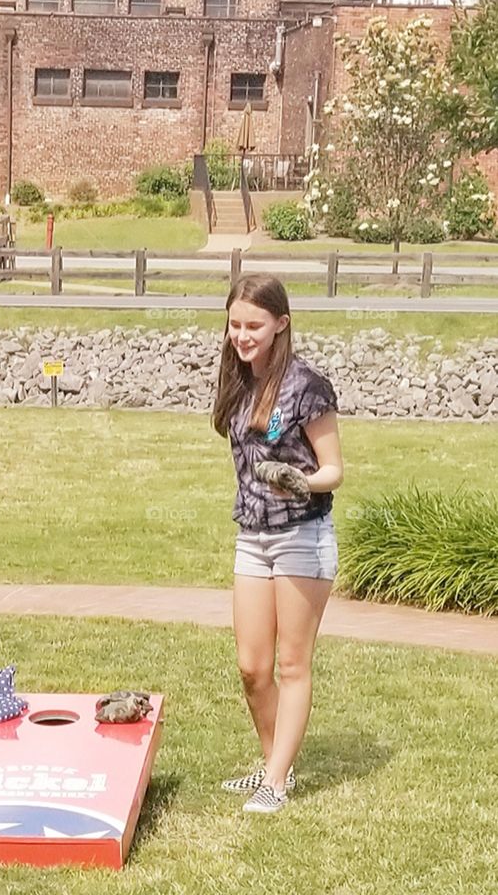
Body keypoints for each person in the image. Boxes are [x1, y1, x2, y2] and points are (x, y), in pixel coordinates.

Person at [213, 274, 343, 814]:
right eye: (235, 324)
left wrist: (300, 480)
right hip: (253, 535)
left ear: (281, 324)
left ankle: (276, 780)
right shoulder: (238, 379)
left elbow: (334, 470)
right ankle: (274, 769)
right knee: (251, 666)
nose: (242, 336)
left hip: (302, 535)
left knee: (292, 664)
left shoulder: (307, 386)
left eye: (254, 326)